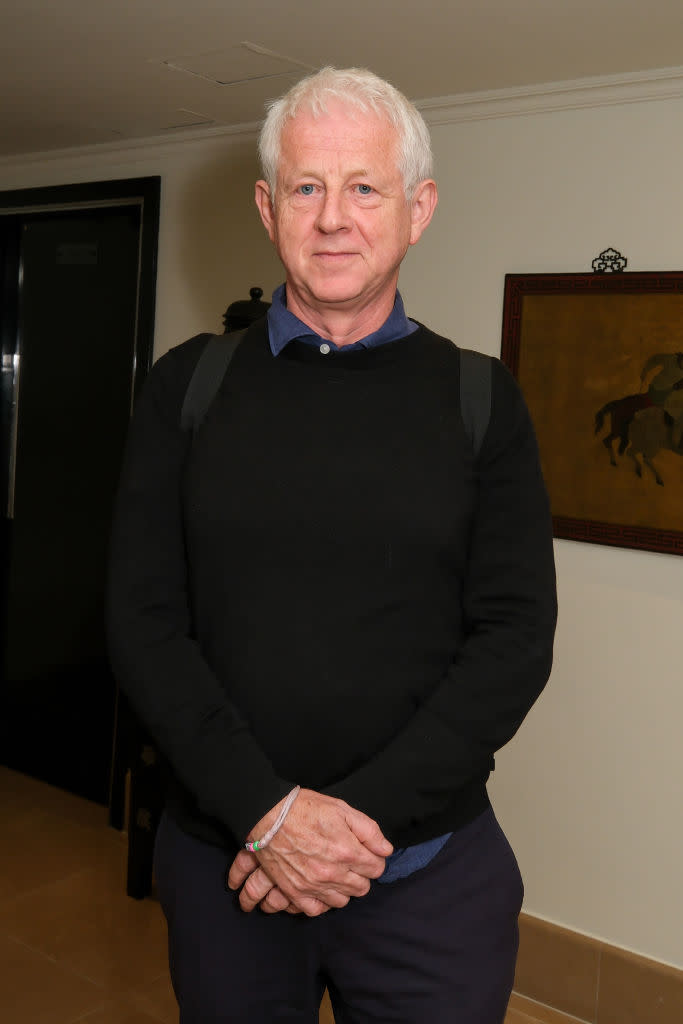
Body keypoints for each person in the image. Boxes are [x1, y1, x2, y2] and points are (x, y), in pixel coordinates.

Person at [107, 66, 557, 1024]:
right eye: (307, 187)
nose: (333, 217)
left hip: (431, 882)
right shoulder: (186, 388)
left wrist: (349, 832)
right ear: (269, 209)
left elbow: (514, 637)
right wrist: (269, 817)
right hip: (231, 869)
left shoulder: (481, 399)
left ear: (417, 208)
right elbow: (142, 623)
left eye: (365, 187)